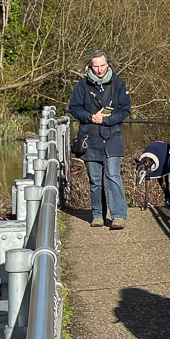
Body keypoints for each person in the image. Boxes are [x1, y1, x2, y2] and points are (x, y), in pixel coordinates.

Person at [69, 51, 131, 229]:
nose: (99, 69)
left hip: (113, 136)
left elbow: (126, 110)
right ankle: (97, 215)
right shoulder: (82, 85)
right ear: (90, 66)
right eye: (96, 66)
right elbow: (73, 108)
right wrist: (90, 117)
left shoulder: (118, 84)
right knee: (95, 179)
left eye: (102, 65)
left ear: (108, 64)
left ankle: (118, 216)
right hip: (90, 137)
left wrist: (107, 119)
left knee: (113, 175)